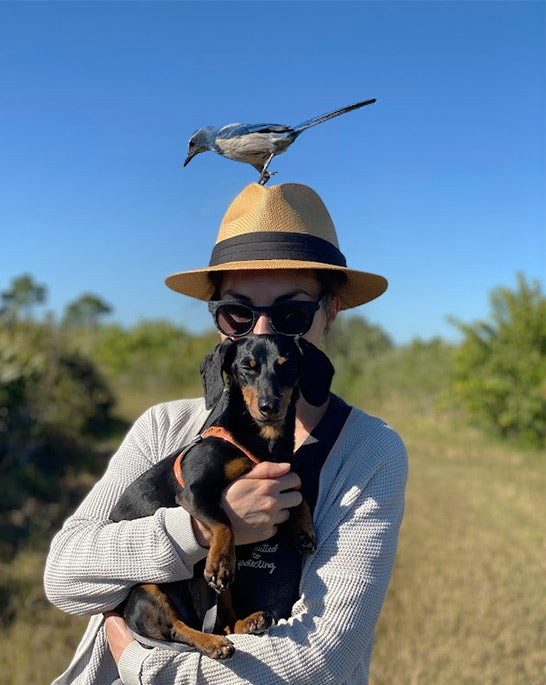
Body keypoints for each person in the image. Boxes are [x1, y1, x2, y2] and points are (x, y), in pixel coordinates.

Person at [44, 182, 408, 685]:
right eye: (238, 312)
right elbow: (63, 577)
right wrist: (199, 531)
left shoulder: (369, 453)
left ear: (331, 312)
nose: (260, 331)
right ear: (217, 319)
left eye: (290, 314)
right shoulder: (164, 428)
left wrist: (141, 663)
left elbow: (319, 662)